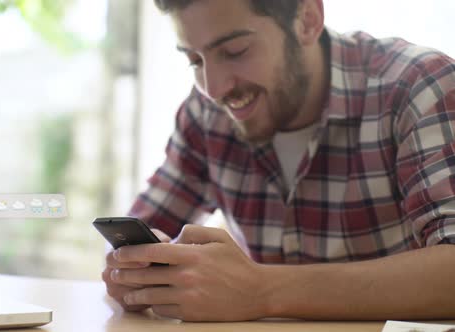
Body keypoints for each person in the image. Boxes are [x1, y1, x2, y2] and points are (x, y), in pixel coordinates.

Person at [103, 0, 455, 322]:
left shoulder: (416, 87)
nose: (214, 88)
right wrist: (134, 273)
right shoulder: (205, 114)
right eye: (195, 60)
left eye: (234, 51)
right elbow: (140, 230)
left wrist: (262, 290)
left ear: (307, 20)